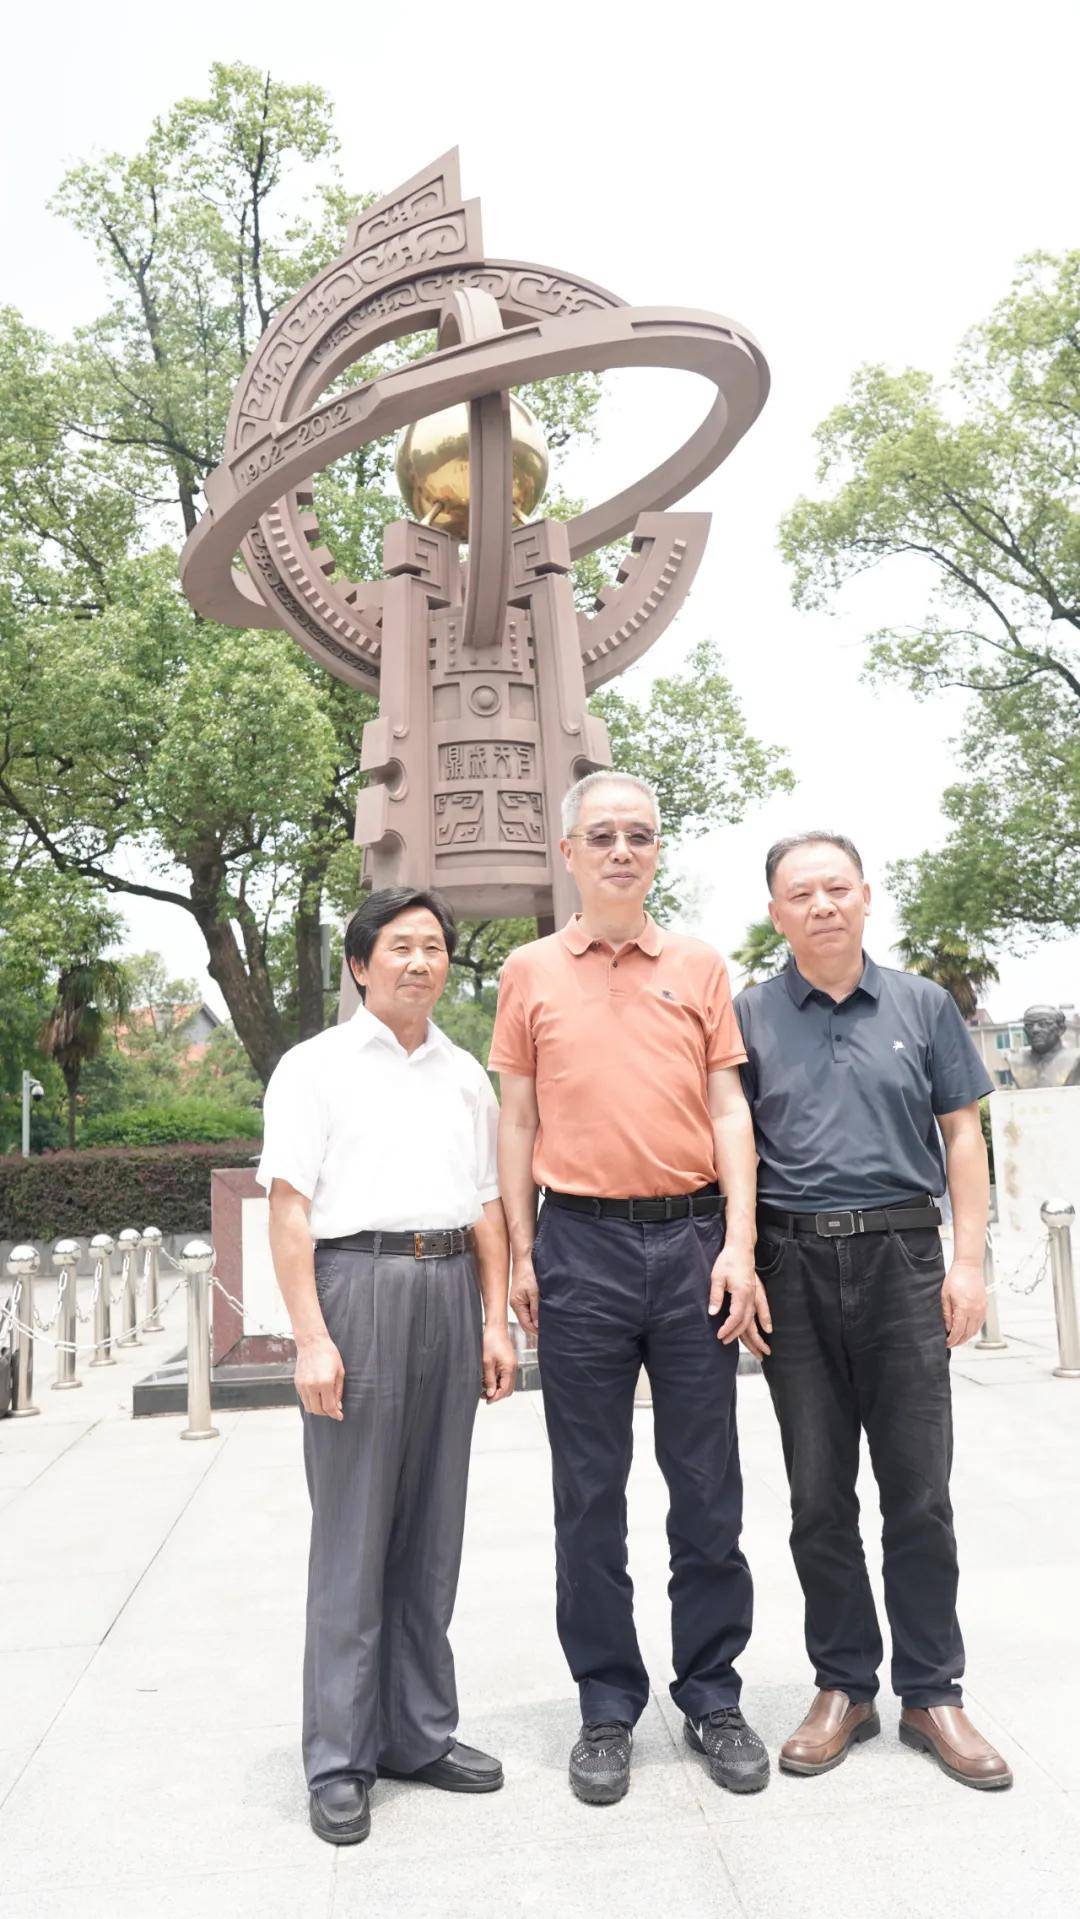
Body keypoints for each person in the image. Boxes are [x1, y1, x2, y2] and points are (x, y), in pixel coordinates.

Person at [490, 771, 769, 1806]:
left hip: (693, 1241)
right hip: (580, 1247)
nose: (621, 850)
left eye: (639, 835)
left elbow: (729, 1109)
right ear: (567, 852)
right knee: (588, 1491)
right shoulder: (528, 971)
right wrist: (522, 1251)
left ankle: (713, 1694)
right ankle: (606, 1702)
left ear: (657, 852)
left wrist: (740, 1243)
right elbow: (516, 1119)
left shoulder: (698, 964)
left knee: (707, 1486)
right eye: (601, 835)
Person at [735, 831, 1012, 1790]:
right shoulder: (749, 1014)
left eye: (837, 887)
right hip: (792, 1262)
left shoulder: (923, 1004)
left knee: (920, 1490)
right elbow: (733, 1144)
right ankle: (844, 1684)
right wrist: (745, 1258)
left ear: (864, 896)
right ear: (776, 912)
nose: (822, 904)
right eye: (801, 893)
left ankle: (933, 1689)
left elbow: (963, 1135)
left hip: (903, 1258)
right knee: (818, 1493)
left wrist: (967, 1261)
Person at [258, 886, 517, 1847]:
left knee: (432, 1530)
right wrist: (312, 1337)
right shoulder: (314, 1067)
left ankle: (418, 1733)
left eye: (434, 946)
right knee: (354, 1533)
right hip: (357, 1287)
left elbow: (487, 1206)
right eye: (400, 946)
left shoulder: (465, 1074)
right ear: (361, 964)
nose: (420, 961)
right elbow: (289, 1209)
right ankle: (339, 1757)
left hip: (449, 1287)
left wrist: (495, 1319)